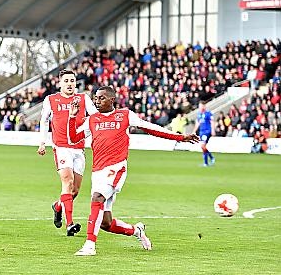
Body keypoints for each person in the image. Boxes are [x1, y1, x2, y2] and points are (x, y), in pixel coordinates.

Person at [68, 86, 199, 256]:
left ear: (111, 100)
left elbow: (151, 128)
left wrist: (180, 137)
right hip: (98, 170)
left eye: (101, 98)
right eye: (95, 98)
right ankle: (137, 231)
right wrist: (72, 117)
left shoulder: (125, 115)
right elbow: (73, 138)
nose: (97, 101)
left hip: (116, 167)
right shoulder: (92, 119)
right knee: (105, 223)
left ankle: (90, 245)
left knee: (97, 198)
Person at [37, 69, 98, 236]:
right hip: (61, 147)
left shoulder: (83, 99)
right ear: (60, 83)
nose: (70, 84)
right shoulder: (51, 100)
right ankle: (69, 224)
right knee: (67, 181)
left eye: (72, 80)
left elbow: (95, 117)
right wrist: (42, 142)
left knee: (75, 190)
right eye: (66, 81)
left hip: (79, 148)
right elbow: (44, 120)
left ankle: (58, 207)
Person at [194, 102, 215, 167]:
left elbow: (212, 122)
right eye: (199, 106)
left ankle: (207, 162)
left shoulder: (208, 113)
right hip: (201, 132)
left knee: (203, 146)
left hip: (207, 131)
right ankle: (211, 158)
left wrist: (213, 130)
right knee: (203, 147)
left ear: (204, 106)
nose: (200, 108)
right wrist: (193, 132)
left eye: (201, 106)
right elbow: (197, 124)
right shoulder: (199, 114)